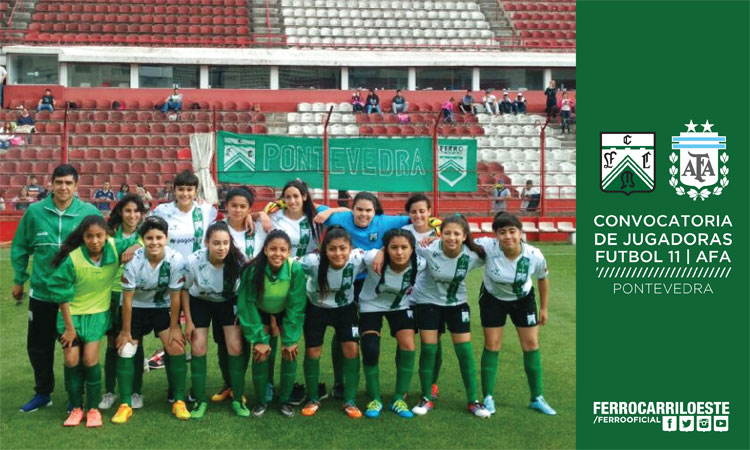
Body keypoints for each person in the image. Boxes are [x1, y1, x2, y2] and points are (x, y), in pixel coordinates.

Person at [11, 164, 103, 413]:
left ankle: (76, 397)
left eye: (68, 183)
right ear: (50, 184)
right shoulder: (35, 212)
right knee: (39, 347)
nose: (63, 187)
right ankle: (43, 393)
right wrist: (19, 279)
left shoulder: (89, 212)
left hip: (76, 296)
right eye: (59, 182)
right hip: (41, 293)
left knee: (76, 348)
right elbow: (20, 246)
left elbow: (103, 247)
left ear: (77, 185)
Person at [48, 215, 138, 427]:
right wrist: (69, 329)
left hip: (97, 315)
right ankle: (76, 407)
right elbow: (60, 293)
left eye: (99, 236)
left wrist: (133, 247)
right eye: (89, 236)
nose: (95, 241)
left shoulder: (115, 247)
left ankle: (93, 408)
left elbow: (142, 237)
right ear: (83, 237)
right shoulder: (73, 258)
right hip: (71, 316)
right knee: (71, 360)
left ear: (107, 234)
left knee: (90, 360)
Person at [319, 192, 410, 399]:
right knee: (343, 331)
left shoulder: (383, 221)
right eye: (359, 209)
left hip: (373, 282)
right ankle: (340, 382)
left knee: (395, 334)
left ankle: (391, 386)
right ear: (352, 210)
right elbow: (317, 210)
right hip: (346, 280)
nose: (364, 214)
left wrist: (384, 249)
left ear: (375, 211)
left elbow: (414, 218)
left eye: (368, 210)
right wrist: (333, 209)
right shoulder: (340, 218)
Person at [407, 215, 491, 418]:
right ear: (439, 234)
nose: (451, 237)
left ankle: (473, 401)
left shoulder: (473, 255)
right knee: (429, 349)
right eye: (447, 233)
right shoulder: (428, 250)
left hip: (457, 304)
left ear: (464, 236)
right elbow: (403, 247)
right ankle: (426, 397)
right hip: (428, 303)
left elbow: (497, 249)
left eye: (456, 234)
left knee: (464, 351)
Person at [475, 212, 556, 416]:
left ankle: (537, 398)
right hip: (493, 300)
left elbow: (543, 278)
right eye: (502, 232)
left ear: (520, 233)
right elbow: (462, 240)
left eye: (512, 231)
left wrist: (544, 308)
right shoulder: (488, 247)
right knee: (492, 345)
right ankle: (488, 397)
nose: (508, 236)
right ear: (496, 235)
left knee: (531, 345)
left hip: (523, 300)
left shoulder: (534, 255)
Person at [116, 216, 189, 422]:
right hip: (136, 308)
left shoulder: (175, 260)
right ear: (143, 239)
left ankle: (179, 401)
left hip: (161, 307)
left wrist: (175, 327)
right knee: (126, 349)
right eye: (149, 238)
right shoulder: (134, 262)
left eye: (159, 237)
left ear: (166, 238)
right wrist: (126, 331)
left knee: (176, 347)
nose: (154, 242)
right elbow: (128, 300)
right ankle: (125, 404)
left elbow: (175, 297)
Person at [237, 230, 307, 418]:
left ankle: (284, 400)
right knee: (261, 352)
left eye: (283, 250)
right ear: (265, 250)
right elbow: (247, 304)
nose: (278, 254)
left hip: (285, 310)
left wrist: (290, 339)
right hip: (260, 310)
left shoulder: (295, 269)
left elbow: (297, 305)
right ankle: (262, 400)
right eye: (273, 249)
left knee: (290, 351)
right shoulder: (253, 269)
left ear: (289, 251)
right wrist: (259, 339)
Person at [299, 226, 367, 418]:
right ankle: (313, 398)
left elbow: (380, 253)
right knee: (313, 351)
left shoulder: (358, 257)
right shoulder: (313, 261)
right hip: (316, 309)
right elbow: (289, 262)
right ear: (324, 250)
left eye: (342, 248)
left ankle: (350, 400)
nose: (338, 253)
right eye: (332, 249)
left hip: (345, 309)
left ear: (350, 248)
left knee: (352, 349)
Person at [182, 222, 248, 419]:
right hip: (200, 301)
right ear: (207, 243)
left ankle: (237, 398)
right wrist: (189, 320)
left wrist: (241, 310)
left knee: (235, 347)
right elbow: (185, 289)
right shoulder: (194, 260)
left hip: (228, 302)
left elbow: (245, 288)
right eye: (216, 243)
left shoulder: (238, 259)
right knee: (198, 347)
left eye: (226, 243)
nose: (222, 248)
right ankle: (200, 400)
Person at [359, 229, 425, 419]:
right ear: (386, 248)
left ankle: (399, 398)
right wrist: (379, 252)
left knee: (408, 345)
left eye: (404, 247)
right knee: (370, 348)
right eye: (393, 247)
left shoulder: (420, 263)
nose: (399, 252)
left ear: (412, 249)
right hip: (371, 305)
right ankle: (375, 398)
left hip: (400, 305)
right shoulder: (373, 257)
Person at [210, 187, 260, 405]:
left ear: (249, 208)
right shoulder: (217, 230)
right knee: (222, 341)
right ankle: (228, 383)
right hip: (222, 295)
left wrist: (260, 215)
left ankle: (238, 385)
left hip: (249, 295)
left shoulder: (258, 228)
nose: (238, 210)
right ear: (226, 207)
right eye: (234, 205)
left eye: (243, 206)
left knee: (242, 340)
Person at [99, 194, 148, 413]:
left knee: (133, 343)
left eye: (136, 211)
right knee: (111, 344)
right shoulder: (109, 235)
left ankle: (136, 392)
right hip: (110, 294)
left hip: (135, 297)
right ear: (120, 212)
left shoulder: (146, 236)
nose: (132, 215)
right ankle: (110, 391)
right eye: (128, 211)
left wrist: (138, 246)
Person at [152, 170, 217, 260]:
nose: (185, 194)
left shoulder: (206, 210)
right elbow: (145, 230)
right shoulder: (162, 210)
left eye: (189, 190)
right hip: (171, 268)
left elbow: (227, 223)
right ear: (174, 191)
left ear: (196, 192)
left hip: (197, 269)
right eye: (181, 189)